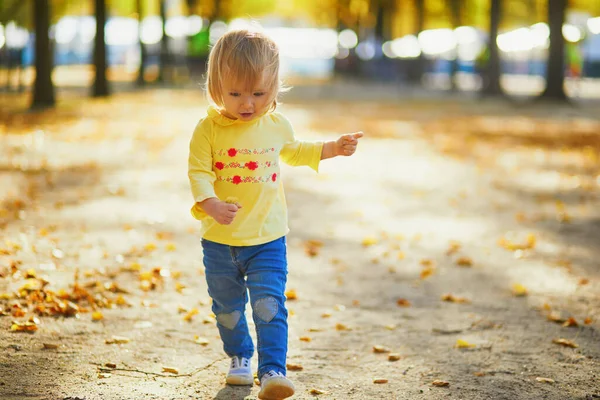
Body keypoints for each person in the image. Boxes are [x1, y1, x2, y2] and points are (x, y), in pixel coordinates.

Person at [188, 29, 363, 400]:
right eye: (235, 93)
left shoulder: (276, 125)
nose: (247, 103)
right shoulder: (207, 130)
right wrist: (210, 204)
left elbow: (297, 151)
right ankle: (239, 357)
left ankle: (272, 371)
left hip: (267, 238)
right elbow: (199, 172)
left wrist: (334, 147)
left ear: (275, 85)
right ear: (217, 86)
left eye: (259, 93)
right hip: (219, 242)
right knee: (226, 307)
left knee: (269, 304)